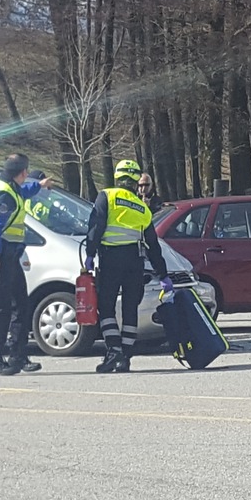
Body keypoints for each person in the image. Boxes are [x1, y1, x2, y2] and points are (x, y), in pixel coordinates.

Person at [85, 159, 171, 373]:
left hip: (111, 260)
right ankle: (125, 357)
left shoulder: (107, 196)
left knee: (106, 307)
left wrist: (89, 254)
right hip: (135, 261)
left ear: (117, 177)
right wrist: (163, 275)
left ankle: (113, 352)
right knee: (130, 308)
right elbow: (153, 245)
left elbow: (96, 227)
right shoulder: (143, 208)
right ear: (135, 181)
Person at [0, 154, 50, 376]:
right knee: (0, 310)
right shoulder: (4, 194)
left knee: (21, 305)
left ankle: (17, 356)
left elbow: (24, 192)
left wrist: (39, 185)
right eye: (26, 173)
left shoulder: (12, 188)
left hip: (10, 255)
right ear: (21, 173)